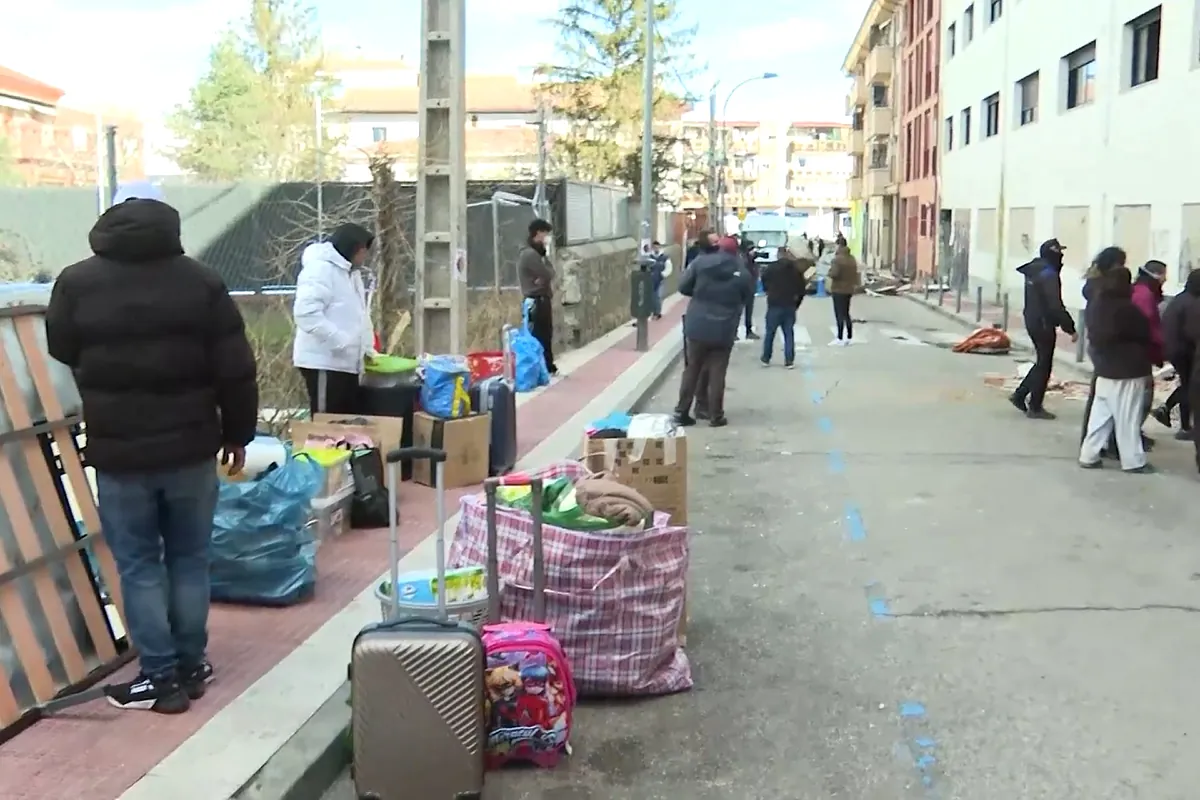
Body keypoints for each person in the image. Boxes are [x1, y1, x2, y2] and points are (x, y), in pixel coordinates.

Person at [45, 182, 258, 713]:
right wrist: (237, 434)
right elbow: (235, 368)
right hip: (190, 448)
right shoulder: (202, 282)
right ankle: (190, 665)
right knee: (189, 558)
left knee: (139, 564)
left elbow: (59, 345)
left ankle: (159, 678)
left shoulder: (76, 283)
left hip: (120, 453)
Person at [292, 223, 376, 415]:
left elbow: (358, 314)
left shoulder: (351, 273)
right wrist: (339, 340)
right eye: (363, 251)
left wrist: (366, 348)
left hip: (346, 363)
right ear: (352, 249)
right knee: (326, 421)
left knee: (342, 422)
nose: (365, 257)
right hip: (324, 361)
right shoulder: (321, 270)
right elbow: (306, 314)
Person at [1078, 266, 1155, 473]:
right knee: (1128, 417)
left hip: (1104, 368)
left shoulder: (1096, 305)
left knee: (1100, 415)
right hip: (1128, 369)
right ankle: (1133, 461)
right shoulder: (1127, 310)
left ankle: (1089, 454)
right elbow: (1145, 333)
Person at [674, 235, 753, 428]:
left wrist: (701, 295)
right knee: (718, 371)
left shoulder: (701, 262)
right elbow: (747, 295)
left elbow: (683, 286)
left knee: (692, 368)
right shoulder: (741, 269)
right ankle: (716, 415)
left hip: (698, 323)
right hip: (724, 326)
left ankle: (682, 411)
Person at [1010, 239, 1077, 419]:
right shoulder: (1049, 274)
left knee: (1042, 361)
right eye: (1060, 252)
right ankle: (1035, 406)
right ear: (1054, 253)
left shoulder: (1036, 270)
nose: (1062, 256)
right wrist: (1070, 327)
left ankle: (1020, 394)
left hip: (1032, 318)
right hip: (1043, 322)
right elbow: (1055, 305)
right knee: (1044, 364)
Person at [1154, 269, 1200, 439]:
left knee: (1187, 384)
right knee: (1190, 387)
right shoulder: (1192, 303)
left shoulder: (1181, 298)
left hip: (1174, 348)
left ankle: (1166, 409)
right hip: (1185, 349)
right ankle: (1186, 427)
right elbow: (1192, 331)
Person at [1130, 259, 1167, 443]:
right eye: (1163, 276)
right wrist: (1159, 350)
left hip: (1137, 351)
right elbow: (1148, 326)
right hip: (1140, 353)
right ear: (1156, 275)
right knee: (1142, 396)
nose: (1165, 280)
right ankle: (1132, 433)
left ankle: (1133, 431)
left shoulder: (1140, 290)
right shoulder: (1145, 295)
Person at [518, 218, 558, 376]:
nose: (547, 238)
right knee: (539, 336)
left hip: (541, 299)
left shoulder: (538, 254)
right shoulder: (530, 254)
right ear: (538, 233)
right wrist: (542, 277)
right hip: (536, 301)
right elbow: (547, 274)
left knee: (545, 334)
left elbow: (548, 274)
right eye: (545, 234)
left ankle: (547, 366)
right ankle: (542, 367)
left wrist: (544, 261)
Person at [759, 246, 811, 368]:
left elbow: (763, 280)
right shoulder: (795, 270)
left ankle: (766, 358)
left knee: (770, 333)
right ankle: (789, 360)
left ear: (778, 255)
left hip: (774, 304)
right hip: (789, 305)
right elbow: (801, 289)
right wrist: (796, 304)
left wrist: (768, 291)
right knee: (788, 333)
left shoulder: (771, 268)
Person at [826, 244, 860, 346]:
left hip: (838, 289)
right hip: (849, 289)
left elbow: (834, 274)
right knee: (846, 313)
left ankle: (839, 338)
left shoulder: (837, 260)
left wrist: (829, 272)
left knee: (839, 314)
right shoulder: (852, 259)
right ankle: (849, 337)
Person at [738, 237, 761, 341]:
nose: (753, 251)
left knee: (748, 311)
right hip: (743, 289)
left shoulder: (749, 259)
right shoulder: (742, 260)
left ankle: (748, 331)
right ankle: (735, 332)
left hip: (750, 288)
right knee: (738, 311)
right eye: (751, 249)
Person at [649, 240, 673, 320]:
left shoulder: (664, 257)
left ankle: (657, 312)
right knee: (652, 296)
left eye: (657, 247)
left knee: (658, 296)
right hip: (651, 280)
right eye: (654, 247)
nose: (656, 249)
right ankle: (653, 311)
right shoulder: (650, 257)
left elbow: (669, 268)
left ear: (659, 247)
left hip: (660, 280)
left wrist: (663, 274)